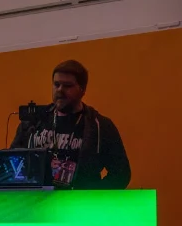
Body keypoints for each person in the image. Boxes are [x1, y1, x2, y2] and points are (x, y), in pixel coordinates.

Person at [11, 60, 131, 189]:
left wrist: (89, 195)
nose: (60, 90)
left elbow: (121, 174)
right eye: (56, 84)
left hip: (79, 200)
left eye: (67, 86)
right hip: (38, 199)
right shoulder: (33, 123)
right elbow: (12, 163)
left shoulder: (100, 126)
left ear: (82, 89)